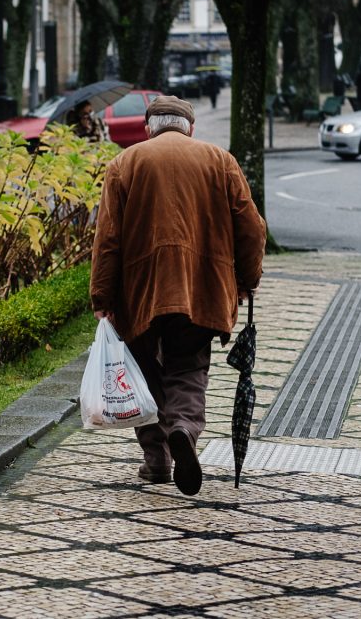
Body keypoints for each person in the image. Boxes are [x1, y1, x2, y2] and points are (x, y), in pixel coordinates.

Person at [90, 95, 266, 496]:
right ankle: (183, 427)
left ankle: (157, 460)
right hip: (202, 289)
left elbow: (108, 240)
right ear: (190, 128)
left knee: (143, 373)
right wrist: (247, 279)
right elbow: (252, 229)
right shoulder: (220, 161)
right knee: (188, 367)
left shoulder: (124, 163)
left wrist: (102, 297)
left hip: (140, 292)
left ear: (147, 129)